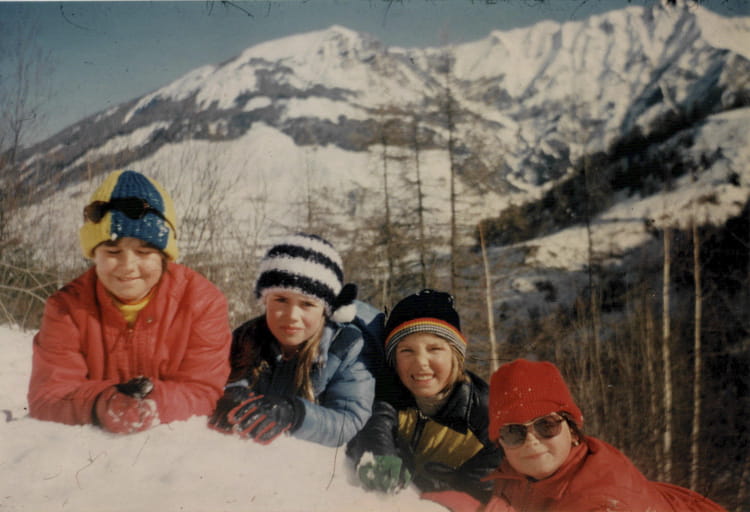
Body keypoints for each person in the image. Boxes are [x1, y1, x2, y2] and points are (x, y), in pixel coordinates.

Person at [27, 169, 232, 434]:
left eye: (144, 252)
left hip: (176, 446)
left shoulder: (201, 302)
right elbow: (48, 396)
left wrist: (153, 402)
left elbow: (205, 391)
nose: (127, 266)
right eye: (113, 252)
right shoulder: (67, 308)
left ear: (164, 256)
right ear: (94, 254)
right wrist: (103, 402)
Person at [423, 359, 728, 512]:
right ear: (499, 441)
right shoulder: (525, 471)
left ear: (572, 430)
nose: (532, 440)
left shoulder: (603, 502)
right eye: (514, 431)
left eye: (546, 425)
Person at [208, 233, 375, 447]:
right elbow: (221, 379)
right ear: (265, 300)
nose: (291, 315)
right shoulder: (247, 337)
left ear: (326, 310)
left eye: (307, 304)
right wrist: (232, 394)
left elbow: (347, 421)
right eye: (281, 300)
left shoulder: (346, 348)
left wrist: (295, 413)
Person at [346, 289, 503, 502]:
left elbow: (485, 493)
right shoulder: (387, 391)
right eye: (406, 351)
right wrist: (378, 453)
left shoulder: (487, 419)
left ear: (455, 355)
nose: (421, 362)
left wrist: (441, 487)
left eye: (434, 349)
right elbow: (375, 422)